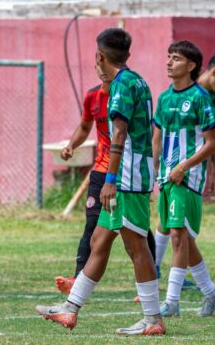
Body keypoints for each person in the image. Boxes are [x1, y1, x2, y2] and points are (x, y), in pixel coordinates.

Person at [36, 28, 165, 336]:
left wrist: (111, 180)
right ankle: (70, 309)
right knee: (99, 240)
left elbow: (119, 134)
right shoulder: (139, 81)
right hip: (132, 173)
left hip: (126, 177)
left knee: (136, 246)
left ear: (100, 56)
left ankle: (153, 319)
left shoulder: (120, 85)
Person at [54, 65, 157, 294]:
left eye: (104, 63)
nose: (102, 70)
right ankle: (76, 283)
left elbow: (133, 133)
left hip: (125, 173)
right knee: (94, 229)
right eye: (98, 65)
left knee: (136, 235)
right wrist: (71, 145)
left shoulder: (127, 90)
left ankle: (152, 280)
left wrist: (141, 177)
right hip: (102, 171)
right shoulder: (92, 96)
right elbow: (84, 126)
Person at [153, 52, 215, 284]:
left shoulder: (211, 97)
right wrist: (158, 165)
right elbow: (161, 132)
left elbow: (209, 137)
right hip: (174, 167)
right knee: (172, 224)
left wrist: (210, 167)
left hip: (191, 169)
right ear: (214, 71)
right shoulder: (183, 92)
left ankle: (173, 276)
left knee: (180, 229)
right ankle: (157, 270)